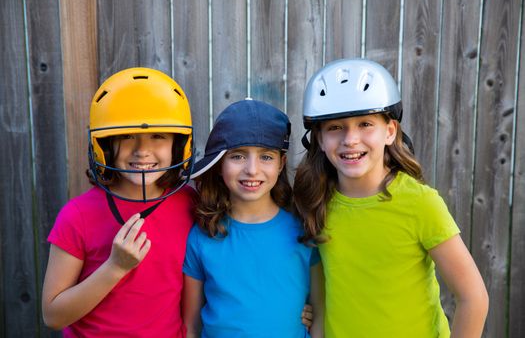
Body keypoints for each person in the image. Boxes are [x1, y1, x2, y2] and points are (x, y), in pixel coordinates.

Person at [293, 58, 489, 338]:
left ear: (389, 131)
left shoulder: (420, 204)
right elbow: (324, 293)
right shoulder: (317, 202)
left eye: (364, 124)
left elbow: (473, 297)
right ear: (320, 140)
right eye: (335, 127)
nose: (350, 139)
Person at [42, 67, 196, 337]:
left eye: (158, 136)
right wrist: (116, 267)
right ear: (104, 145)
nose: (142, 150)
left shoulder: (189, 204)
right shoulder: (78, 215)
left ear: (179, 145)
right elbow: (53, 315)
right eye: (126, 136)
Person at [182, 99, 324, 337]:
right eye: (238, 156)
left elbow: (319, 316)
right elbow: (191, 326)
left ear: (281, 164)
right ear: (219, 164)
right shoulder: (203, 235)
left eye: (266, 157)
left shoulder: (304, 232)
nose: (252, 169)